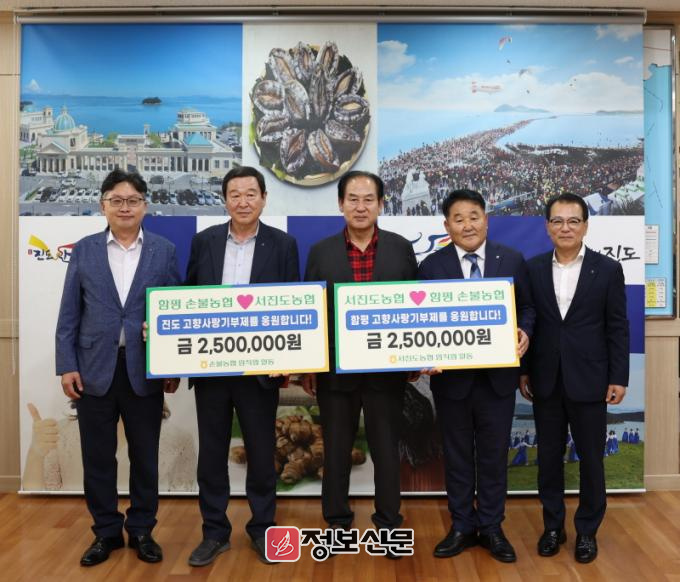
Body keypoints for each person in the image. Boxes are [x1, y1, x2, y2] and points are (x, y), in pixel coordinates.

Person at [55, 169, 181, 566]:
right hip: (93, 369)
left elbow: (174, 311)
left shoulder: (164, 250)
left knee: (145, 456)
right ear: (103, 205)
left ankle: (142, 530)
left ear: (145, 205)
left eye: (133, 200)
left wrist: (171, 364)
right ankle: (106, 532)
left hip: (144, 371)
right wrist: (67, 365)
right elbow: (69, 312)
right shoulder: (85, 249)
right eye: (117, 200)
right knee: (98, 457)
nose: (125, 207)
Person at [184, 166, 299, 567]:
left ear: (264, 198)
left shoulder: (283, 245)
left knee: (262, 453)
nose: (243, 201)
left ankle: (263, 529)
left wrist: (286, 361)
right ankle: (214, 533)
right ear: (225, 199)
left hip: (259, 373)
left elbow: (293, 304)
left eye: (251, 194)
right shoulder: (204, 241)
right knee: (212, 454)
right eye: (235, 194)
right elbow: (188, 298)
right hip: (212, 369)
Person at [302, 170, 417, 558]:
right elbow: (312, 313)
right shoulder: (321, 252)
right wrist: (310, 366)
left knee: (386, 450)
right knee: (336, 451)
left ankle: (388, 524)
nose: (361, 206)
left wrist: (414, 358)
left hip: (387, 371)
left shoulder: (401, 249)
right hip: (336, 372)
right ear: (340, 204)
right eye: (353, 199)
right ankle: (337, 523)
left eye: (369, 199)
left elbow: (414, 308)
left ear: (382, 204)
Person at [418, 188, 535, 563]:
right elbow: (419, 321)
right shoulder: (431, 266)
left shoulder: (511, 259)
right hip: (451, 381)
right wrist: (422, 354)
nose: (467, 225)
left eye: (474, 216)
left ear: (486, 219)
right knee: (456, 457)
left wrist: (524, 331)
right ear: (446, 225)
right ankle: (461, 526)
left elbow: (527, 307)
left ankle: (492, 527)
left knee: (493, 456)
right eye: (458, 218)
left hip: (497, 380)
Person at [519, 192, 629, 564]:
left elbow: (617, 326)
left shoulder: (608, 269)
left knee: (592, 461)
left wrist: (619, 376)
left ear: (585, 225)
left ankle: (586, 531)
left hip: (591, 379)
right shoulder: (533, 268)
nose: (565, 227)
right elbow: (527, 322)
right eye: (557, 221)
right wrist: (524, 370)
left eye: (573, 221)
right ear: (547, 226)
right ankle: (553, 527)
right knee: (548, 458)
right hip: (545, 380)